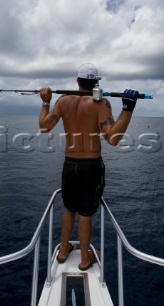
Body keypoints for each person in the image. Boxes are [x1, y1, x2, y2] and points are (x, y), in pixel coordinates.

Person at [38, 62, 139, 270]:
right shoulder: (101, 103)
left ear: (77, 81)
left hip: (69, 165)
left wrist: (45, 102)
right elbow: (112, 139)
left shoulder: (63, 101)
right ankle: (85, 259)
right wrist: (127, 109)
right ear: (96, 83)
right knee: (85, 213)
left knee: (69, 209)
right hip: (90, 166)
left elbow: (44, 126)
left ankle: (64, 250)